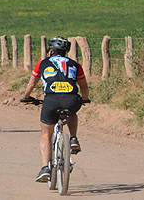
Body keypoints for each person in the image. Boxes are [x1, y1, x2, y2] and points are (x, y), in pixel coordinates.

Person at [17, 37, 89, 183]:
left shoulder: (42, 63)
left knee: (46, 135)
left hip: (51, 100)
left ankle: (45, 168)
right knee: (72, 110)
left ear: (50, 52)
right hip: (72, 99)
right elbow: (84, 86)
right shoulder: (75, 65)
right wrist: (85, 99)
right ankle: (73, 138)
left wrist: (26, 97)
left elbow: (31, 84)